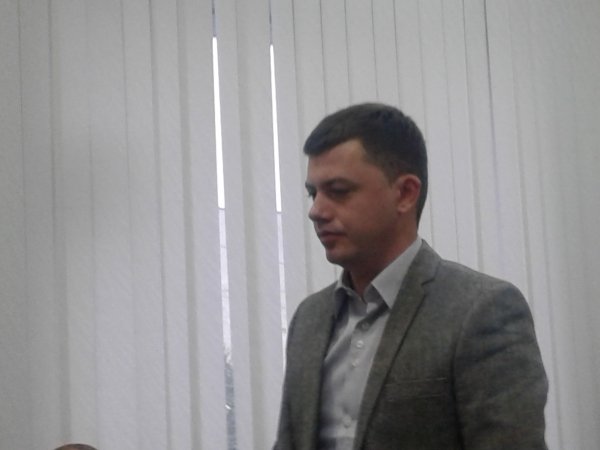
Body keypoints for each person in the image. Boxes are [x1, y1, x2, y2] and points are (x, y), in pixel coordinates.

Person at [273, 103, 548, 449]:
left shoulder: (481, 310)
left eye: (338, 191)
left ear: (404, 193)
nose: (316, 210)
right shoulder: (308, 318)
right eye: (313, 194)